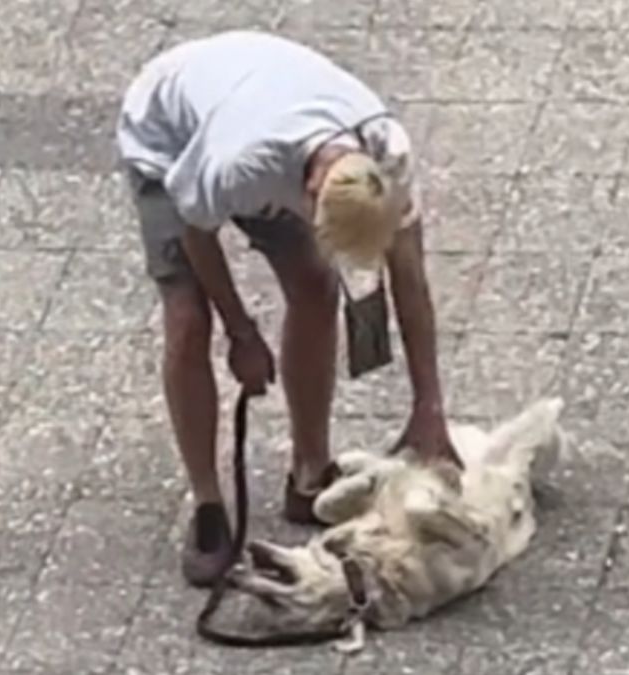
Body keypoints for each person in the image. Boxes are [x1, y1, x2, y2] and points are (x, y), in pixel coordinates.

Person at [115, 30, 460, 586]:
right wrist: (242, 333)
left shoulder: (387, 153)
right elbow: (196, 230)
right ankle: (207, 501)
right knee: (187, 320)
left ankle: (309, 474)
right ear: (309, 201)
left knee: (315, 286)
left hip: (261, 97)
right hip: (169, 139)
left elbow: (411, 284)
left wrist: (429, 406)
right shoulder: (240, 166)